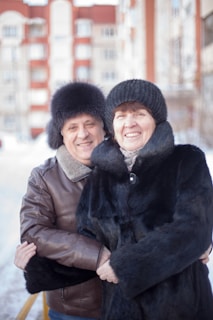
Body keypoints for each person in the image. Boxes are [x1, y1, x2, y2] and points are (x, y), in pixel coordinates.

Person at [16, 79, 213, 319]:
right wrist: (39, 269)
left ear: (155, 119)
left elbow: (192, 228)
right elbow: (98, 248)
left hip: (181, 310)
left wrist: (127, 265)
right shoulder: (106, 176)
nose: (129, 123)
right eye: (120, 116)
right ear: (114, 125)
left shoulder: (186, 160)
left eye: (139, 113)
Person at [18, 81, 111, 320]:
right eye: (72, 127)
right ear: (61, 133)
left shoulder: (127, 168)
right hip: (74, 309)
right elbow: (33, 231)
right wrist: (97, 255)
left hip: (130, 303)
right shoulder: (45, 177)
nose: (83, 134)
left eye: (90, 124)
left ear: (104, 127)